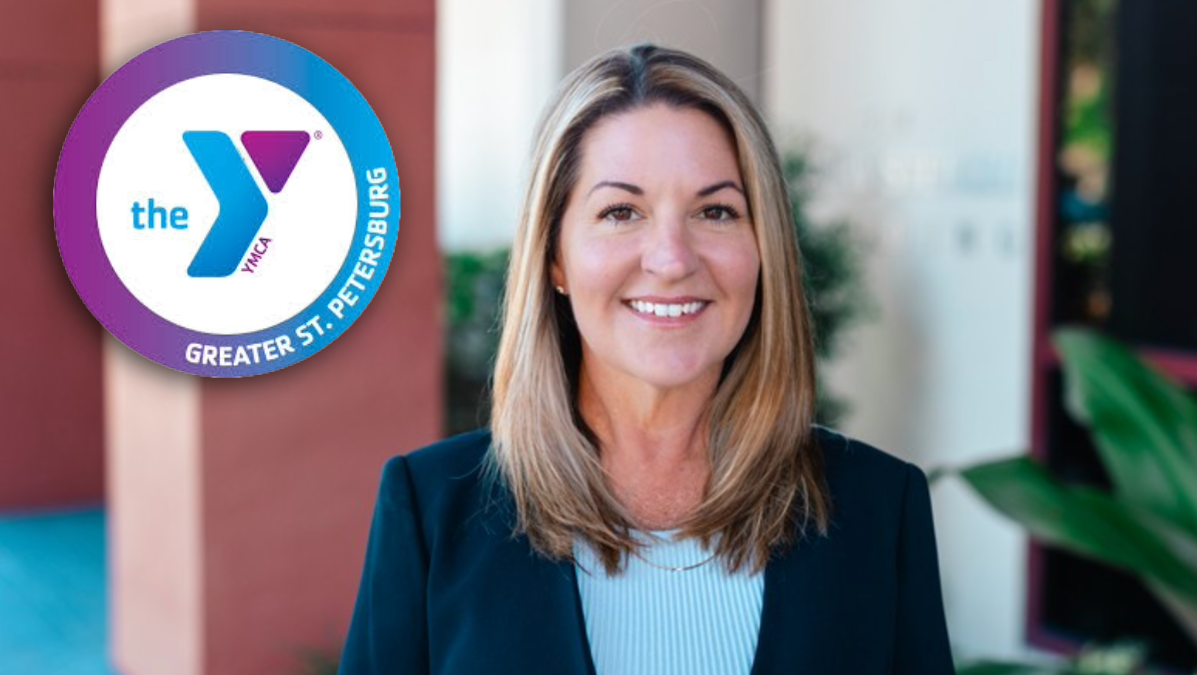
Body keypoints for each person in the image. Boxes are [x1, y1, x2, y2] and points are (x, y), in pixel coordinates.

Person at [338, 44, 955, 675]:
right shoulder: (433, 509)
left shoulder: (879, 506)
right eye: (620, 212)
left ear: (763, 248)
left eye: (715, 211)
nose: (671, 258)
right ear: (554, 258)